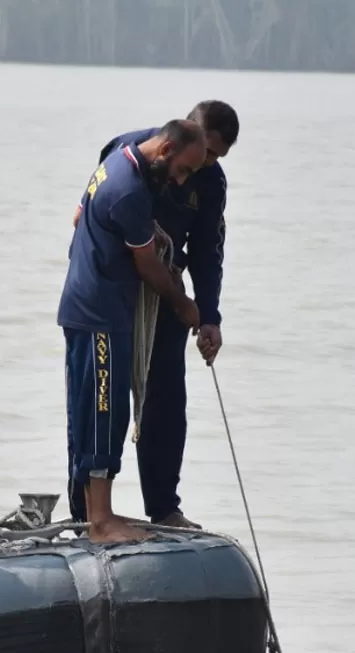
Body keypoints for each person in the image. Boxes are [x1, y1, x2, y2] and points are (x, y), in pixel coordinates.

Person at [73, 100, 239, 531]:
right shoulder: (129, 154)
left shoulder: (211, 182)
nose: (202, 168)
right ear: (183, 138)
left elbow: (207, 251)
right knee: (98, 400)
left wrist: (208, 316)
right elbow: (85, 213)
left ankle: (164, 506)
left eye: (215, 158)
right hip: (119, 291)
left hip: (166, 295)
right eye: (201, 157)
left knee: (165, 401)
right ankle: (87, 512)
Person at [58, 120, 207, 545]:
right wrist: (183, 302)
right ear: (164, 152)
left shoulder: (115, 161)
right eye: (182, 170)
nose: (182, 181)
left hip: (89, 308)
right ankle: (101, 521)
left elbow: (77, 216)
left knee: (92, 411)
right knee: (106, 414)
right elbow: (146, 263)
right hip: (99, 313)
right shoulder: (129, 190)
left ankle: (95, 513)